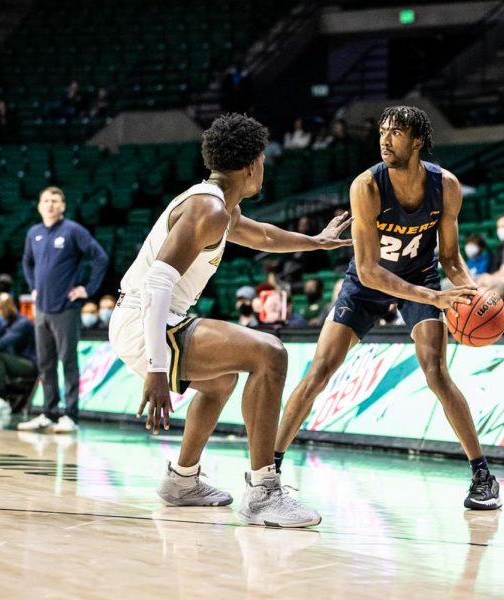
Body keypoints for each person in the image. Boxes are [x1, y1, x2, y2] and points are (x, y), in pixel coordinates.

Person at [108, 113, 351, 526]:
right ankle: (263, 492)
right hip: (145, 318)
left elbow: (265, 237)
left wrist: (317, 242)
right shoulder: (209, 209)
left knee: (221, 381)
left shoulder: (221, 207)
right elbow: (156, 283)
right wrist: (156, 367)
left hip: (149, 316)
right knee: (269, 353)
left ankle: (182, 481)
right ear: (253, 164)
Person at [273, 106, 502, 511]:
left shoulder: (445, 186)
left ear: (417, 141)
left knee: (437, 373)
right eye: (382, 131)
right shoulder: (366, 186)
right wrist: (433, 298)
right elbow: (367, 269)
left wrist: (473, 292)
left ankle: (483, 476)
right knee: (319, 372)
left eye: (395, 132)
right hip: (367, 285)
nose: (384, 139)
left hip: (422, 275)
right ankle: (268, 470)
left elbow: (450, 258)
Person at [18, 187, 109, 434]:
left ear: (63, 206)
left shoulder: (73, 230)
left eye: (55, 200)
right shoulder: (34, 233)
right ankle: (48, 413)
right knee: (45, 363)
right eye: (45, 200)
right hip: (42, 309)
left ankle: (70, 416)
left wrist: (87, 290)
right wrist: (33, 287)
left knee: (68, 361)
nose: (49, 204)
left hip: (66, 309)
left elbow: (100, 257)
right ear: (39, 206)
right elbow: (27, 262)